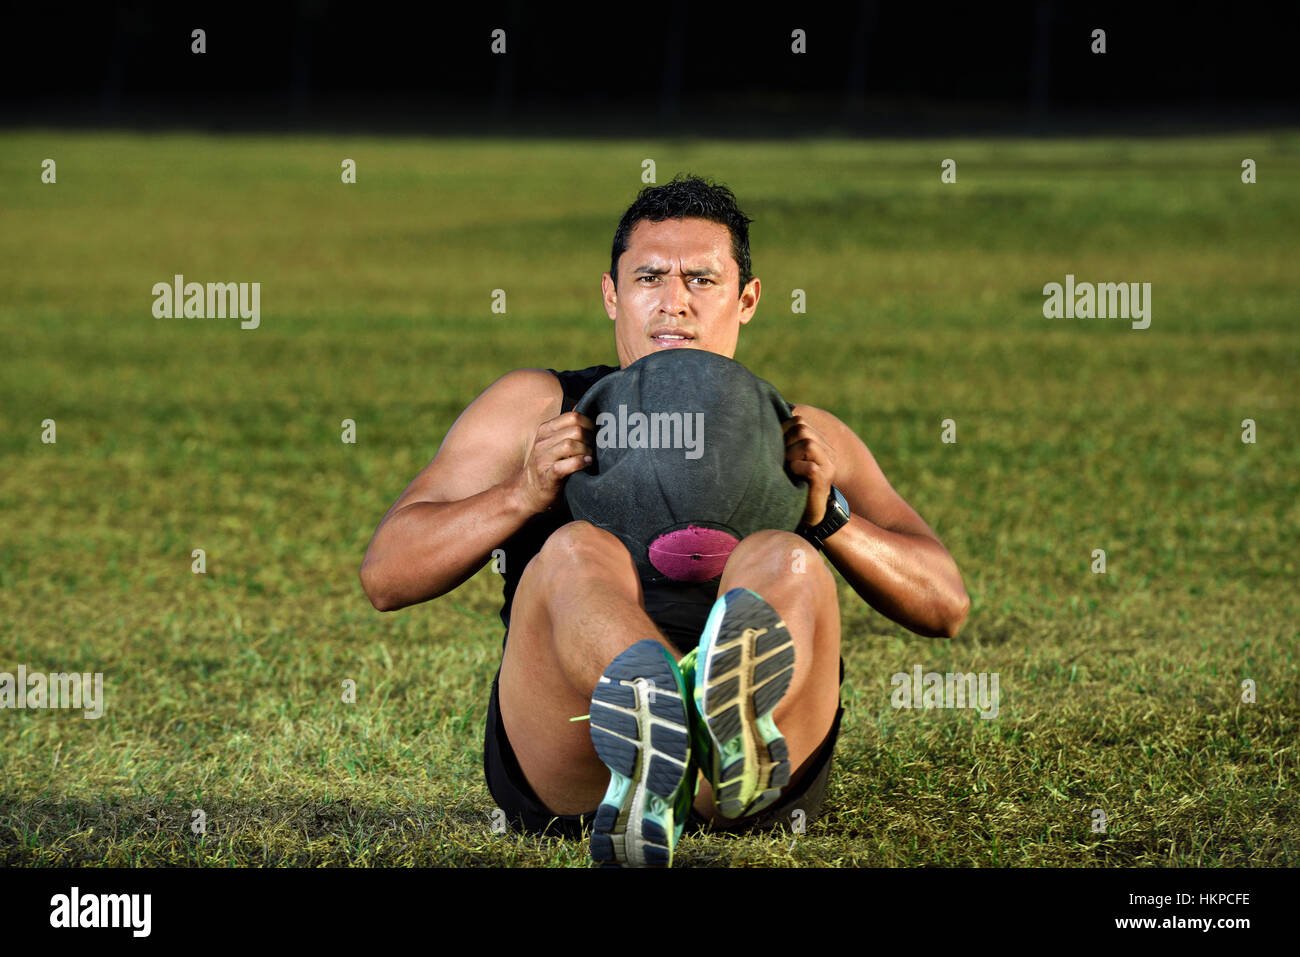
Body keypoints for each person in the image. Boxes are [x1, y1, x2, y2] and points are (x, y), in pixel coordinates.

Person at [359, 175, 970, 866]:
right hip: (578, 759)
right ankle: (660, 721)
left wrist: (830, 517)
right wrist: (520, 494)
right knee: (570, 551)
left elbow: (944, 603)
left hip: (749, 780)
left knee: (787, 556)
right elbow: (387, 573)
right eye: (649, 276)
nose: (673, 300)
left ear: (747, 300)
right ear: (611, 294)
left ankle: (691, 735)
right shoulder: (541, 406)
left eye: (701, 279)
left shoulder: (796, 436)